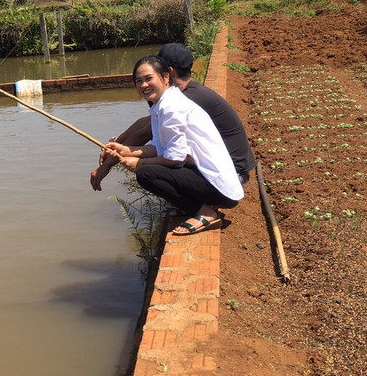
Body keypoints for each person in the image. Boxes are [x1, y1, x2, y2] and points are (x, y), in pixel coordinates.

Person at [101, 55, 244, 235]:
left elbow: (175, 158)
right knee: (149, 169)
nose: (144, 85)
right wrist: (126, 150)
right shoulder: (162, 105)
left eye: (148, 79)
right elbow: (159, 148)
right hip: (210, 180)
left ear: (166, 77)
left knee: (146, 174)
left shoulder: (171, 107)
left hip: (218, 188)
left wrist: (139, 163)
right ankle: (198, 207)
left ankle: (205, 213)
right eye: (139, 81)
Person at [90, 42, 255, 191]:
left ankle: (203, 207)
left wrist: (107, 166)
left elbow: (145, 133)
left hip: (230, 173)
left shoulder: (183, 100)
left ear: (167, 73)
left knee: (150, 171)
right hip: (225, 167)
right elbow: (147, 121)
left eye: (151, 74)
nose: (144, 84)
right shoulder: (179, 94)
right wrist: (117, 143)